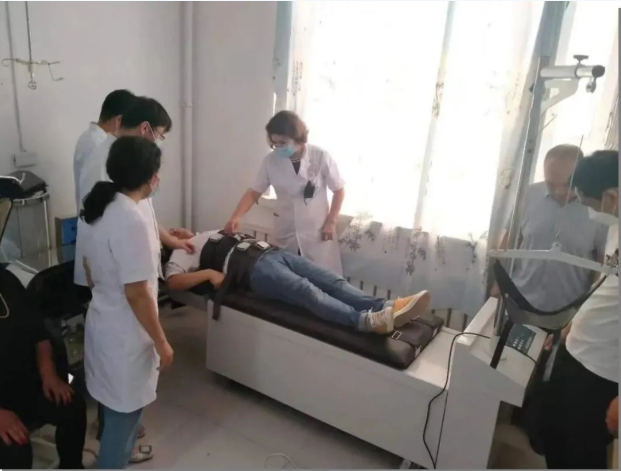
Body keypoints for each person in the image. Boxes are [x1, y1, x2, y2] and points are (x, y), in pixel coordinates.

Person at [81, 136, 174, 469]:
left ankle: (113, 458)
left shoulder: (102, 207)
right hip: (124, 337)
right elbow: (137, 293)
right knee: (122, 426)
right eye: (156, 173)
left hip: (103, 324)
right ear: (148, 177)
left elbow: (90, 271)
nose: (158, 179)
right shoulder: (132, 220)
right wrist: (162, 342)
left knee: (113, 413)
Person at [165, 231, 431, 334]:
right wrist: (208, 275)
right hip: (253, 270)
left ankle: (386, 306)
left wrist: (193, 234)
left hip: (272, 253)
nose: (175, 231)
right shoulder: (179, 253)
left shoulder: (201, 234)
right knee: (307, 291)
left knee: (332, 281)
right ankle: (365, 321)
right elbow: (173, 283)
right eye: (170, 233)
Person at [542, 150, 619, 469]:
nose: (588, 212)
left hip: (600, 374)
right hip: (575, 352)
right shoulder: (617, 225)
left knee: (581, 457)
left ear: (611, 197)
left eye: (588, 204)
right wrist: (574, 321)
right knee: (553, 438)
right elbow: (607, 282)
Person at [75, 95, 195, 287]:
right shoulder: (101, 163)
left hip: (128, 272)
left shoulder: (131, 158)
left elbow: (140, 210)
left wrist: (170, 240)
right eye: (160, 135)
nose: (159, 141)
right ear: (145, 128)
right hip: (112, 277)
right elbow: (97, 226)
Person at [225, 111, 346, 276]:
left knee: (323, 279)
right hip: (286, 230)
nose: (279, 147)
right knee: (288, 279)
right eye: (275, 143)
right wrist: (236, 217)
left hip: (316, 231)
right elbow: (254, 192)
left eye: (283, 142)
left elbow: (339, 189)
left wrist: (331, 222)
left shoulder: (320, 156)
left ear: (297, 137)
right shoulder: (271, 161)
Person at [0, 266, 86, 468]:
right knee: (16, 450)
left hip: (25, 386)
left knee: (73, 408)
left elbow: (39, 332)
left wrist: (48, 374)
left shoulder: (6, 279)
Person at [73, 89, 136, 212]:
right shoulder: (96, 144)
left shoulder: (91, 138)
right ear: (119, 120)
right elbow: (97, 194)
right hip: (96, 217)